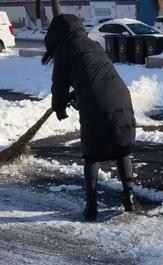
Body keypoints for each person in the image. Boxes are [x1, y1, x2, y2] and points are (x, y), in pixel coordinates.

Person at [42, 14, 136, 221]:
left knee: (92, 153)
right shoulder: (92, 44)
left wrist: (58, 107)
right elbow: (95, 75)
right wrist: (77, 93)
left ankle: (91, 206)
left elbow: (59, 85)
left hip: (96, 100)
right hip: (121, 94)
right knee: (121, 148)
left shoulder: (64, 50)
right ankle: (129, 198)